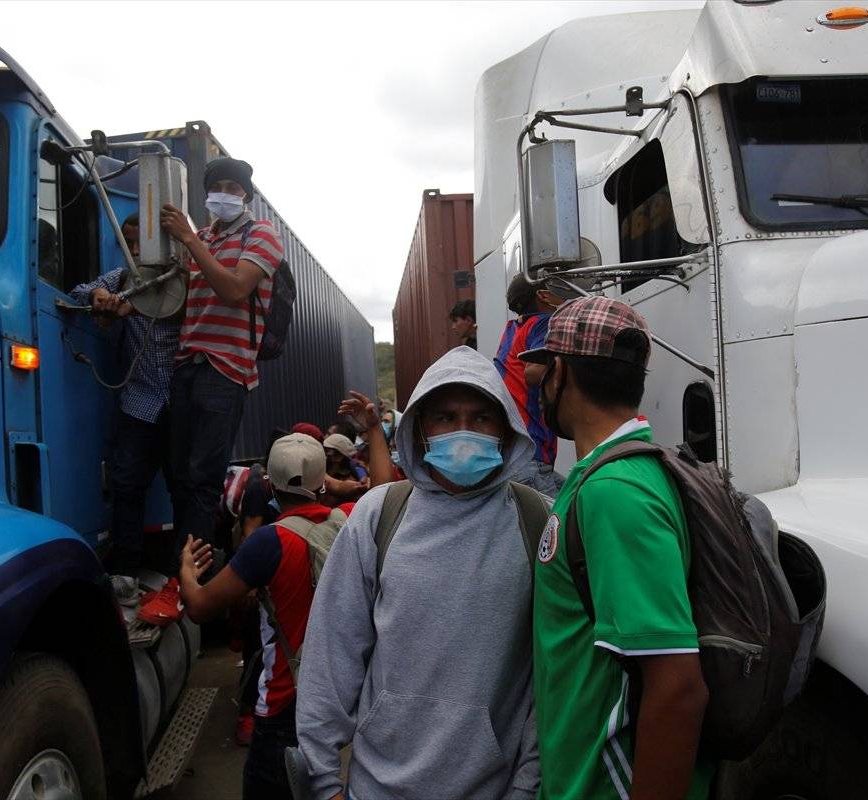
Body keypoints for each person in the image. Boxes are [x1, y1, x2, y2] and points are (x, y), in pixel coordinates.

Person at [295, 346, 542, 800]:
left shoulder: (535, 522)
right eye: (445, 418)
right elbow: (332, 651)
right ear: (421, 430)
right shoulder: (379, 515)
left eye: (481, 418)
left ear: (505, 431)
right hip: (374, 788)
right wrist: (323, 778)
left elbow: (549, 680)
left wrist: (526, 787)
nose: (463, 433)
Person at [520, 296, 712, 799]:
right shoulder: (606, 475)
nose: (537, 389)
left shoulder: (615, 493)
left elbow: (678, 688)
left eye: (541, 373)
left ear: (560, 373)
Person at [140, 157, 286, 626]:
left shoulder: (259, 236)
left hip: (227, 370)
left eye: (234, 188)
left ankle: (188, 587)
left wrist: (187, 239)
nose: (226, 194)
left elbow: (235, 289)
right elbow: (174, 298)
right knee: (180, 477)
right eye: (218, 187)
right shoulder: (203, 240)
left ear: (246, 195)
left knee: (203, 480)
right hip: (188, 364)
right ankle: (186, 569)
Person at [178, 433, 352, 800]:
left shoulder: (268, 542)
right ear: (323, 482)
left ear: (270, 484)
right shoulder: (347, 521)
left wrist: (187, 572)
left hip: (285, 702)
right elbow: (386, 487)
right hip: (336, 694)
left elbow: (198, 607)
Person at [69, 214, 183, 604]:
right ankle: (125, 575)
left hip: (182, 405)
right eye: (129, 244)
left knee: (185, 491)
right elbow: (81, 290)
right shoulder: (120, 279)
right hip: (139, 402)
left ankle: (182, 579)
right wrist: (94, 298)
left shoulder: (182, 278)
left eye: (142, 243)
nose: (135, 251)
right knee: (127, 486)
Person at [494, 273, 567, 497]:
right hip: (532, 456)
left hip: (514, 455)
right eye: (560, 288)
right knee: (558, 529)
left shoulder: (514, 328)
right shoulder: (546, 322)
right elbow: (534, 372)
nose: (567, 293)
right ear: (545, 296)